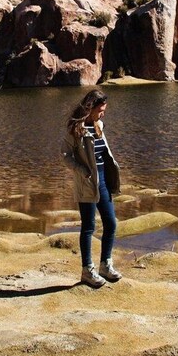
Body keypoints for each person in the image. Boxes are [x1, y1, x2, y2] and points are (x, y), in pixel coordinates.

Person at [60, 89, 122, 288]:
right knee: (88, 227)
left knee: (111, 223)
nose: (103, 113)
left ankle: (105, 265)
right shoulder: (75, 129)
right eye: (100, 110)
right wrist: (81, 171)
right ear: (90, 108)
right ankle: (87, 270)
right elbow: (65, 155)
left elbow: (103, 153)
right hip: (86, 183)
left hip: (103, 179)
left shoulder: (99, 125)